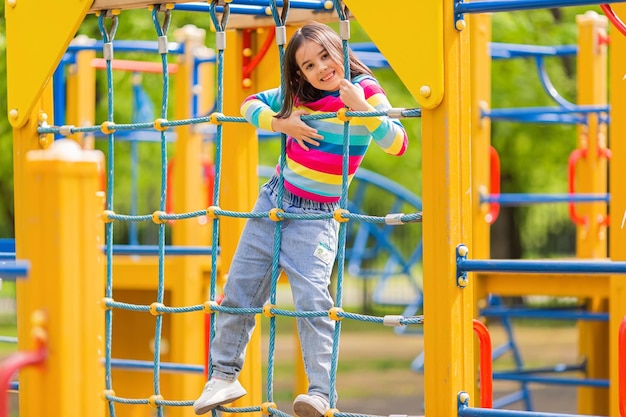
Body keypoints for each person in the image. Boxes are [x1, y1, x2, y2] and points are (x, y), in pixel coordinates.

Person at [193, 21, 408, 417]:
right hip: (273, 202)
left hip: (317, 217)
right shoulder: (298, 95)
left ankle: (321, 394)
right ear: (300, 74)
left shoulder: (366, 89)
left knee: (312, 303)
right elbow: (248, 104)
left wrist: (361, 107)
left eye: (326, 56)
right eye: (309, 65)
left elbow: (397, 142)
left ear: (340, 49)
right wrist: (281, 123)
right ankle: (223, 375)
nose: (321, 69)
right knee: (239, 290)